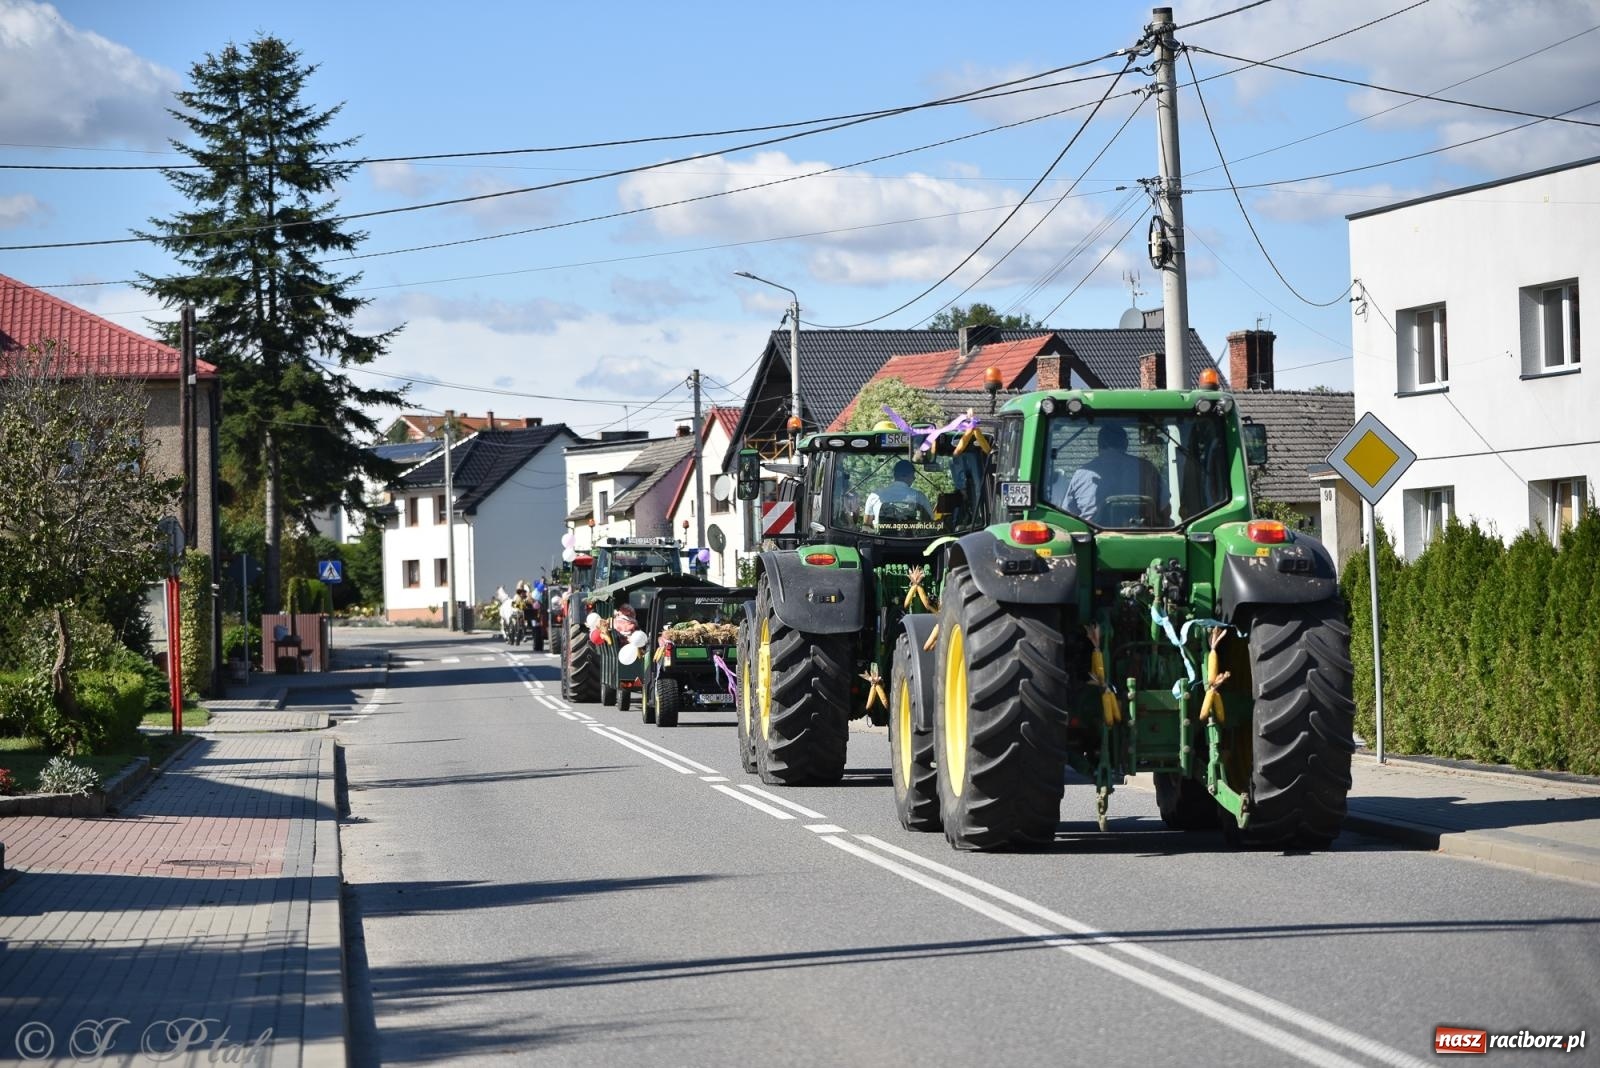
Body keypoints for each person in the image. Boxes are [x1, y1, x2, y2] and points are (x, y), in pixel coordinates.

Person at [1058, 424, 1167, 525]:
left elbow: (1068, 516)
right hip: (1142, 535)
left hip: (1092, 537)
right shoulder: (1147, 469)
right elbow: (1165, 506)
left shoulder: (1082, 473)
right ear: (1126, 444)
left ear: (1099, 444)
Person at [864, 459, 934, 524]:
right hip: (908, 537)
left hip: (880, 537)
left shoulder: (875, 496)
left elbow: (867, 526)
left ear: (894, 475)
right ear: (909, 475)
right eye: (913, 475)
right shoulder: (918, 496)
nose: (914, 478)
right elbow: (928, 523)